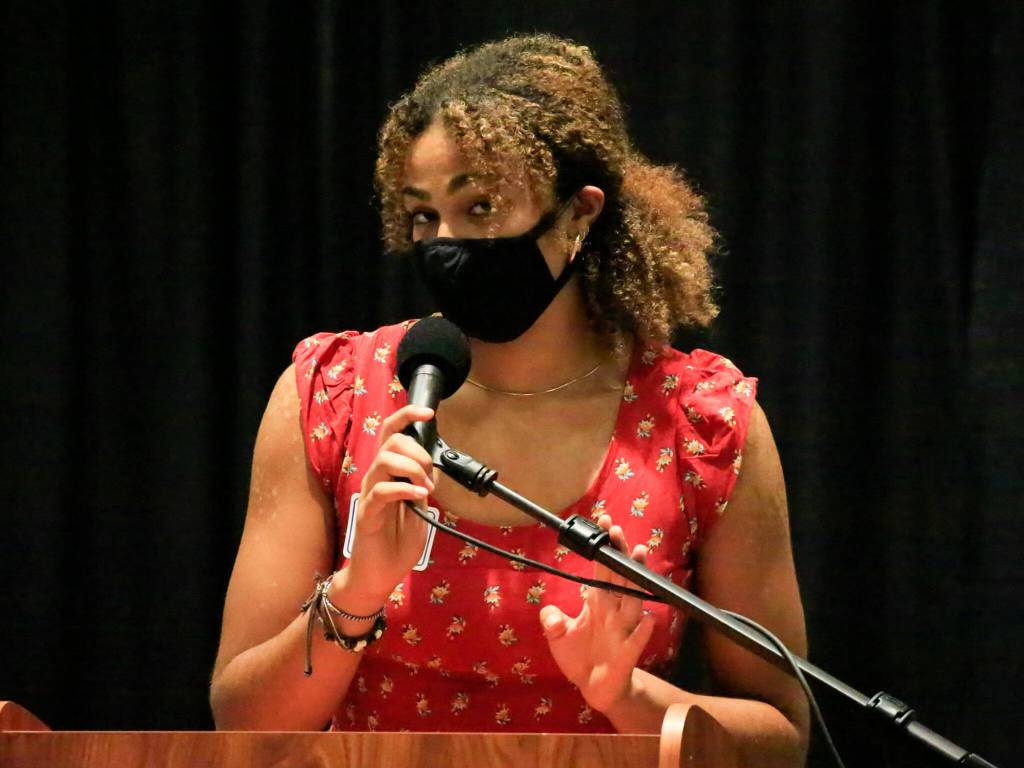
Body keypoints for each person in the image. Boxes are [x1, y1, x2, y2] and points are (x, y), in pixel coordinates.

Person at [210, 33, 809, 766]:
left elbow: (782, 739)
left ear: (580, 213)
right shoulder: (331, 394)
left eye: (483, 205)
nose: (447, 242)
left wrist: (629, 697)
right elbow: (241, 726)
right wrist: (355, 594)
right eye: (424, 215)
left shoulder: (700, 421)